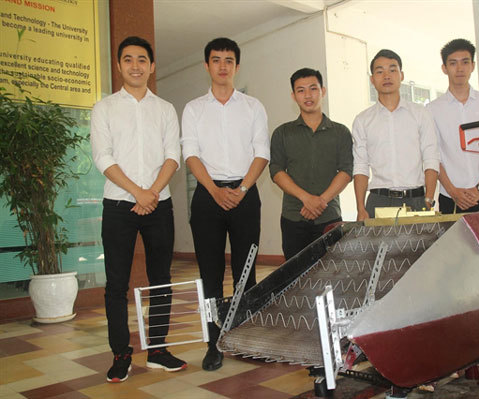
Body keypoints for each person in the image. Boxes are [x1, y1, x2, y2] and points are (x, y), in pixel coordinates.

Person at [91, 36, 187, 383]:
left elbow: (172, 156)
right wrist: (137, 193)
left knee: (161, 279)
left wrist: (153, 192)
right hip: (119, 204)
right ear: (119, 66)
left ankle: (158, 349)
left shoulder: (164, 109)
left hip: (159, 204)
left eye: (142, 59)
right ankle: (121, 353)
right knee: (116, 284)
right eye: (128, 59)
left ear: (152, 66)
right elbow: (103, 157)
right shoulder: (104, 108)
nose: (135, 65)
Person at [181, 37, 270, 371]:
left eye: (229, 60)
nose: (222, 66)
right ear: (207, 65)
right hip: (207, 196)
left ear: (236, 65)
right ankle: (213, 341)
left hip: (246, 194)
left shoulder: (253, 107)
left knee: (246, 274)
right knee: (210, 276)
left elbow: (262, 152)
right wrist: (215, 190)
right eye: (216, 60)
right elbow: (190, 153)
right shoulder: (194, 109)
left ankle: (245, 337)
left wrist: (243, 187)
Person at [270, 68, 353, 260]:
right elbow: (276, 170)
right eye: (301, 90)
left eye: (313, 88)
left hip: (329, 218)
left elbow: (347, 170)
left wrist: (321, 200)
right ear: (293, 96)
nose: (308, 95)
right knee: (294, 279)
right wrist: (306, 198)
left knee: (330, 276)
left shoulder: (340, 132)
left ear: (323, 91)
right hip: (293, 217)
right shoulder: (282, 133)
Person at [352, 49, 439, 220]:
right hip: (378, 201)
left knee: (419, 247)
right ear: (372, 79)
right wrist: (360, 208)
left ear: (402, 75)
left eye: (392, 70)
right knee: (379, 248)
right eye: (379, 71)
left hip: (417, 200)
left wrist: (428, 199)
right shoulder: (363, 120)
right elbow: (361, 166)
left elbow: (431, 157)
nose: (386, 76)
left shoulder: (421, 114)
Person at [427, 38, 479, 214]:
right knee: (452, 242)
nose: (459, 69)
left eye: (465, 62)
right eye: (453, 63)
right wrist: (453, 191)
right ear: (444, 68)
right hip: (450, 197)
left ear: (473, 66)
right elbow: (432, 157)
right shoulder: (432, 109)